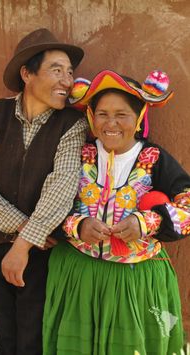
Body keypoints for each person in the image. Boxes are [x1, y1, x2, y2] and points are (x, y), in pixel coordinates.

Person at [43, 70, 190, 355]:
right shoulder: (78, 154)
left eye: (121, 115)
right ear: (91, 118)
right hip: (78, 274)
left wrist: (147, 222)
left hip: (135, 279)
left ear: (138, 119)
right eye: (102, 114)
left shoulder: (155, 159)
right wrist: (78, 225)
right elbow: (46, 203)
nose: (111, 123)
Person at [0, 28, 88, 355]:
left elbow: (60, 187)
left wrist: (25, 244)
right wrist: (23, 228)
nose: (68, 80)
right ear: (27, 73)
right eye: (57, 70)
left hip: (42, 250)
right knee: (6, 328)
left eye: (70, 72)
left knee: (34, 333)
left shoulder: (72, 125)